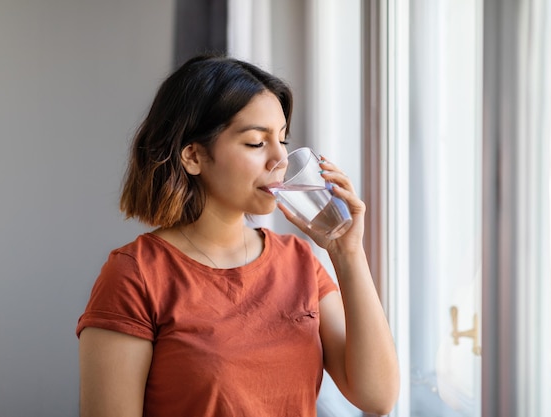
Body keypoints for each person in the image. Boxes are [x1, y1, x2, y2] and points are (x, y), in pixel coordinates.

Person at [76, 54, 399, 417]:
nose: (281, 159)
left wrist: (347, 253)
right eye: (256, 143)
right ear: (193, 156)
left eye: (282, 139)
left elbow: (377, 397)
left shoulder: (299, 261)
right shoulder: (136, 274)